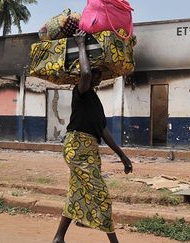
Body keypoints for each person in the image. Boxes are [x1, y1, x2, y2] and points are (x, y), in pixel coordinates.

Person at [52, 30, 134, 243]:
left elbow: (104, 131)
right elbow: (86, 75)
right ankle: (114, 241)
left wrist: (122, 156)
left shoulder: (95, 101)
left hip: (88, 150)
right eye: (96, 73)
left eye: (99, 74)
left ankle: (58, 237)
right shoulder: (80, 91)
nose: (98, 76)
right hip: (77, 147)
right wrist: (80, 44)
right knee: (101, 195)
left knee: (77, 192)